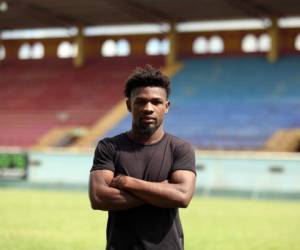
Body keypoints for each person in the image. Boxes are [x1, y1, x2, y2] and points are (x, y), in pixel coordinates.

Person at [89, 65, 196, 250]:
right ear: (129, 105)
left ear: (166, 107)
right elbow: (99, 198)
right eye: (140, 101)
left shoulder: (180, 148)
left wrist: (127, 182)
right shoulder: (109, 147)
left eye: (156, 102)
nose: (148, 108)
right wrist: (161, 191)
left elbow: (182, 196)